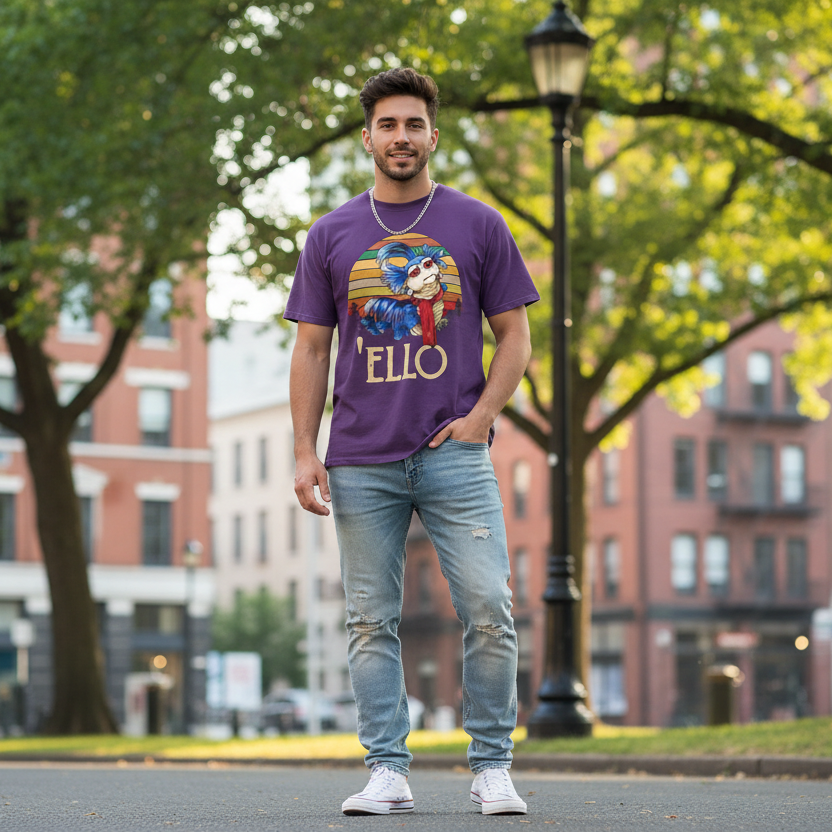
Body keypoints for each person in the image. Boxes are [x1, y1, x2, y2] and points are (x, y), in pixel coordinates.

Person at [285, 67, 539, 816]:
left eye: (413, 125)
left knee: (490, 605)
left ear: (434, 135)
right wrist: (305, 451)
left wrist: (482, 418)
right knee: (371, 620)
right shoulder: (331, 234)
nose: (401, 137)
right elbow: (309, 351)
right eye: (388, 125)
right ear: (368, 138)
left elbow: (515, 336)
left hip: (453, 452)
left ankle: (492, 766)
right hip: (360, 457)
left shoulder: (478, 224)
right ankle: (387, 771)